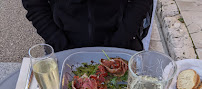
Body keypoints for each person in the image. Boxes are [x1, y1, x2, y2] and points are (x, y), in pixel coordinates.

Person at [22, 0, 153, 52]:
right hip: (62, 46)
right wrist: (57, 40)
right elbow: (35, 4)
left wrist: (122, 38)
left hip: (121, 43)